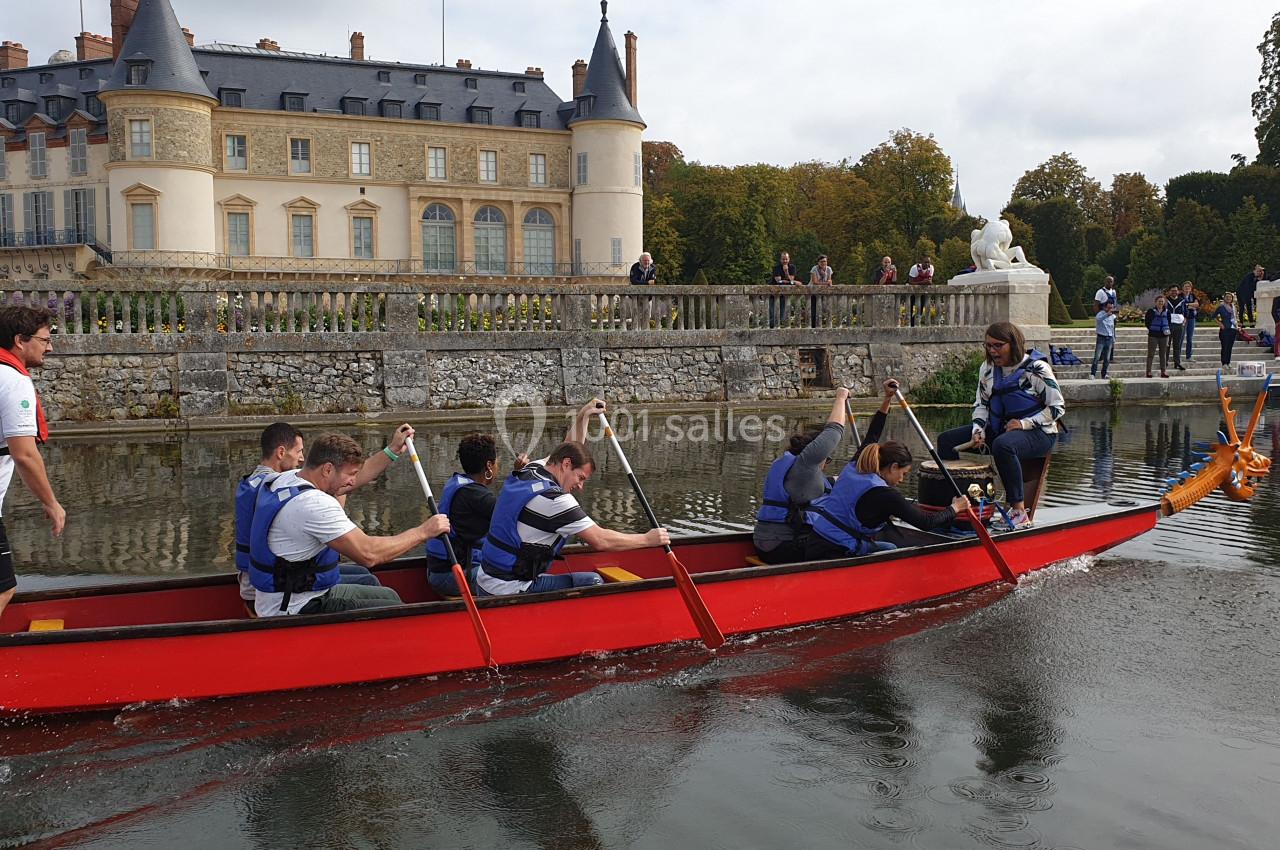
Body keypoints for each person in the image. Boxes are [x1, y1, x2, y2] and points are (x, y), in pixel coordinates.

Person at [248, 433, 450, 616]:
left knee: (381, 589)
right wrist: (424, 531)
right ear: (327, 469)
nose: (353, 482)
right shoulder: (313, 503)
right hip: (294, 607)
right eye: (350, 474)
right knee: (394, 609)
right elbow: (369, 554)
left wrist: (392, 450)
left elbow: (354, 476)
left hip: (284, 594)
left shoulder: (288, 478)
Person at [234, 421, 414, 603]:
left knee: (363, 575)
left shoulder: (271, 483)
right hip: (276, 588)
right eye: (298, 451)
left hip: (275, 578)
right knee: (380, 590)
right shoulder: (288, 489)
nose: (302, 459)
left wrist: (391, 451)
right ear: (281, 452)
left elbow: (345, 478)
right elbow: (367, 552)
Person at [476, 438, 669, 597]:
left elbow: (569, 444)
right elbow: (601, 540)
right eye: (580, 478)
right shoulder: (555, 500)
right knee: (593, 581)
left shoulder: (531, 470)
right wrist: (648, 539)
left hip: (485, 579)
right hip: (508, 589)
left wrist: (584, 415)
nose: (580, 486)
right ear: (566, 464)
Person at [803, 386, 970, 560]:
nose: (902, 479)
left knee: (888, 546)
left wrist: (887, 399)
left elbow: (873, 433)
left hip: (816, 540)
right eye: (903, 473)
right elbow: (927, 523)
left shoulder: (857, 465)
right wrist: (955, 508)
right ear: (893, 467)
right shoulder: (885, 494)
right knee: (893, 550)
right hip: (834, 552)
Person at [936, 321, 1066, 530]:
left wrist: (1023, 424)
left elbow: (1057, 408)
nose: (992, 351)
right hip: (1001, 430)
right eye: (988, 345)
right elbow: (981, 404)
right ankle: (955, 505)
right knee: (946, 441)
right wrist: (978, 430)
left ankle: (1019, 512)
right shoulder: (987, 369)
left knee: (1003, 445)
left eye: (998, 345)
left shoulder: (1037, 369)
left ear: (1013, 344)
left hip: (1040, 433)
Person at [0, 305, 65, 619]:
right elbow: (24, 454)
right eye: (44, 340)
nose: (49, 348)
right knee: (3, 589)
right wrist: (52, 503)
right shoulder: (13, 381)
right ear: (19, 340)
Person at [753, 387, 851, 564]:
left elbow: (826, 484)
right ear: (818, 454)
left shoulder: (790, 466)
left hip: (765, 544)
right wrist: (841, 397)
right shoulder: (806, 463)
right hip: (783, 546)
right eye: (827, 459)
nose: (826, 464)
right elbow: (834, 430)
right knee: (849, 543)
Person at [424, 433, 528, 597]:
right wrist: (520, 476)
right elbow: (512, 516)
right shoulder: (475, 495)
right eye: (497, 462)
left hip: (441, 571)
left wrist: (517, 475)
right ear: (489, 465)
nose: (498, 466)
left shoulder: (460, 484)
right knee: (523, 577)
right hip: (452, 576)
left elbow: (501, 507)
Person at [1144, 294, 1173, 379]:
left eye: (1162, 301)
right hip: (1153, 335)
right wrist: (1152, 329)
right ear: (1155, 302)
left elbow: (1169, 322)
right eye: (1159, 301)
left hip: (1164, 335)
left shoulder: (1167, 312)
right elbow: (1147, 322)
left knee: (1163, 354)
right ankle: (1148, 371)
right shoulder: (1151, 311)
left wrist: (1166, 330)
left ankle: (1163, 372)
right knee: (1151, 354)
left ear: (1164, 303)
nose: (1160, 303)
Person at [1171, 281, 1199, 361]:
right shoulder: (1180, 296)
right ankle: (1177, 356)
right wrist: (1190, 305)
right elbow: (1181, 306)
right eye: (1185, 286)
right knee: (1180, 337)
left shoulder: (1192, 296)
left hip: (1191, 318)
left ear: (1191, 288)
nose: (1187, 288)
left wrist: (1187, 304)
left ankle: (1189, 356)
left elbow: (1197, 305)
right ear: (1182, 288)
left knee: (1190, 338)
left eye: (1189, 287)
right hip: (1182, 319)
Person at [1090, 300, 1116, 379]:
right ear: (1105, 307)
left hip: (1109, 338)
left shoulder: (1112, 316)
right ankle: (1093, 373)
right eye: (1108, 307)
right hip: (1101, 337)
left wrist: (1113, 338)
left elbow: (1112, 328)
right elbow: (1098, 320)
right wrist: (1106, 315)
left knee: (1107, 358)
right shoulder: (1100, 314)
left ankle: (1104, 374)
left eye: (1111, 308)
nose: (1110, 309)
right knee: (1097, 356)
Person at [1164, 286, 1186, 371]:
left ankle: (1177, 362)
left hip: (1178, 325)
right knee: (1167, 344)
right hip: (1168, 324)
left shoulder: (1182, 300)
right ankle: (1164, 362)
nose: (1174, 292)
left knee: (1177, 345)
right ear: (1169, 291)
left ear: (1178, 291)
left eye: (1175, 291)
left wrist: (1184, 320)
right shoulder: (1165, 300)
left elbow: (1185, 312)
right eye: (1172, 291)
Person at [1216, 292, 1239, 366]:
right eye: (1227, 297)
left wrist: (1237, 326)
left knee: (1230, 347)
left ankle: (1228, 362)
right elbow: (1214, 316)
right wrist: (1220, 323)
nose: (1228, 298)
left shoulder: (1233, 307)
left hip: (1233, 328)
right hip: (1225, 329)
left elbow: (1235, 317)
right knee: (1225, 346)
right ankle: (1224, 363)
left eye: (1230, 297)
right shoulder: (1221, 306)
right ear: (1224, 298)